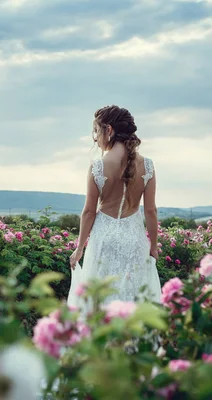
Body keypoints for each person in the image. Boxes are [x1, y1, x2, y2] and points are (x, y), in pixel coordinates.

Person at [67, 105, 162, 312]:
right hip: (135, 240)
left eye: (96, 131)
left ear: (108, 130)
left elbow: (89, 212)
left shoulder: (98, 166)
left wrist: (79, 247)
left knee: (99, 301)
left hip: (103, 240)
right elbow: (151, 211)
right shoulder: (148, 165)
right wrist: (153, 246)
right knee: (134, 299)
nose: (95, 138)